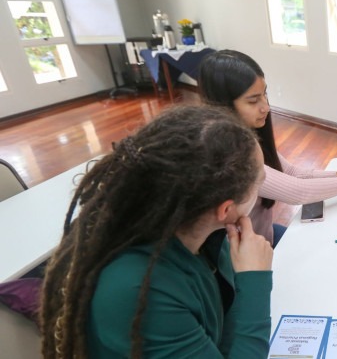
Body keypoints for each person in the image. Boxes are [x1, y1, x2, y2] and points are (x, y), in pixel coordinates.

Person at [40, 105, 274, 358]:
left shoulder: (203, 234)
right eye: (259, 181)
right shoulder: (141, 289)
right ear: (226, 208)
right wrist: (254, 281)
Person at [198, 50, 337, 247]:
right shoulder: (229, 154)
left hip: (266, 236)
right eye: (253, 101)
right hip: (246, 257)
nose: (266, 106)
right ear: (223, 105)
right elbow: (298, 192)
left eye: (265, 94)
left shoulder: (247, 134)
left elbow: (292, 173)